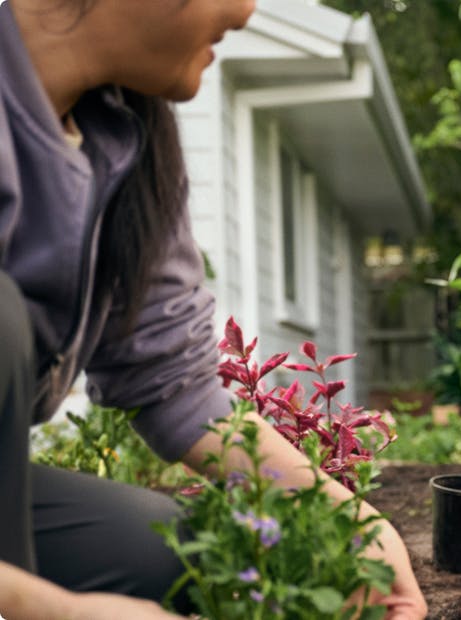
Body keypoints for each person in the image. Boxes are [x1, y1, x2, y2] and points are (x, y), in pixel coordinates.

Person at [0, 1, 427, 618]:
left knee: (185, 552)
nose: (248, 9)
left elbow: (173, 387)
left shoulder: (123, 133)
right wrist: (52, 608)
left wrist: (352, 525)